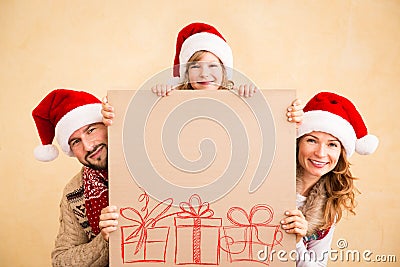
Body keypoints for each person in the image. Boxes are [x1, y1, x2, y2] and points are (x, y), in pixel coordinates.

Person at [102, 22, 304, 125]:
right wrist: (158, 96)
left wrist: (253, 99)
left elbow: (262, 127)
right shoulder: (173, 97)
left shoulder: (238, 97)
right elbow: (144, 122)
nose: (204, 74)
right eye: (195, 67)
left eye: (213, 67)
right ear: (186, 73)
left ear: (225, 72)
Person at [279, 92, 379, 266]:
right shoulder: (272, 177)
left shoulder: (327, 208)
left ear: (340, 153)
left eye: (332, 144)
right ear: (298, 143)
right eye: (311, 140)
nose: (320, 153)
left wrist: (296, 242)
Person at [32, 89, 113, 266]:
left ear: (107, 125)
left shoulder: (146, 158)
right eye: (75, 141)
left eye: (91, 130)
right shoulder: (74, 193)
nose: (88, 147)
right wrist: (104, 239)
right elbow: (61, 260)